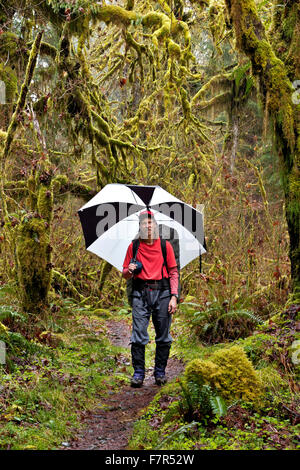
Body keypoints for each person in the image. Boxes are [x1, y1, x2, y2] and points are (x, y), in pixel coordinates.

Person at [122, 210, 179, 388]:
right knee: (138, 336)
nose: (148, 226)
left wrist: (174, 297)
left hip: (162, 293)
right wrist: (129, 270)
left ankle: (160, 373)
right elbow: (124, 274)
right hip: (140, 293)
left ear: (155, 225)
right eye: (144, 223)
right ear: (139, 226)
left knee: (164, 337)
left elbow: (173, 272)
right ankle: (138, 373)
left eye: (151, 223)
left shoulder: (165, 246)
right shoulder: (134, 246)